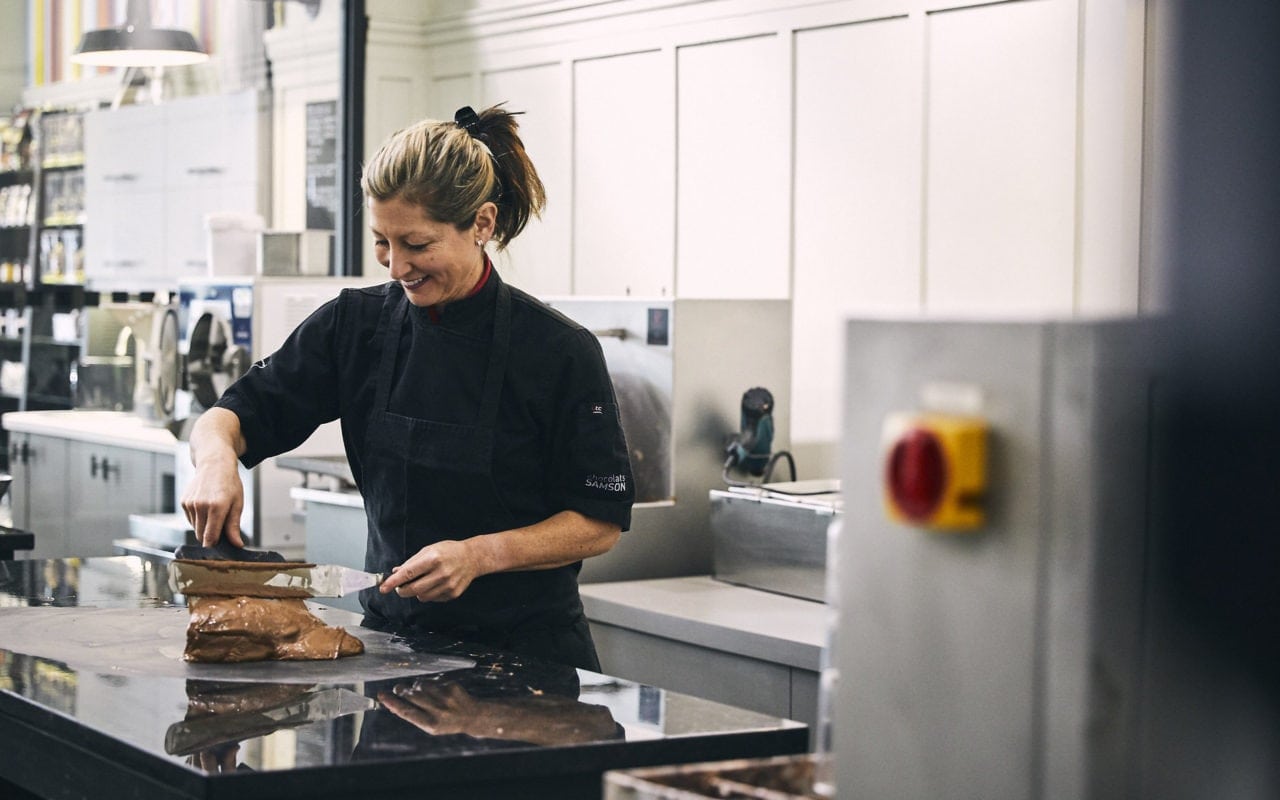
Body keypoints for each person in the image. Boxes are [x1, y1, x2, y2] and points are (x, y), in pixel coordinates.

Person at [180, 104, 635, 671]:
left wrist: (480, 554)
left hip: (526, 660)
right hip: (393, 655)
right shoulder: (355, 325)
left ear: (483, 224)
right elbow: (230, 416)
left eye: (417, 244)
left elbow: (598, 522)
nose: (396, 266)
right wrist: (216, 459)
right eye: (382, 242)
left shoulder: (559, 351)